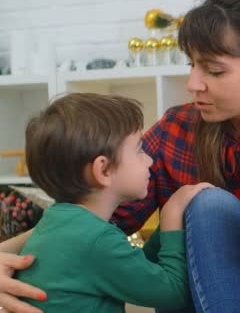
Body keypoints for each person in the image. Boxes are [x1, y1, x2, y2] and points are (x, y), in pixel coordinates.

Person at [0, 0, 240, 313]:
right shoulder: (178, 130)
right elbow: (88, 214)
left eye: (214, 71)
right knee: (212, 204)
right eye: (192, 65)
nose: (193, 83)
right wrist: (7, 252)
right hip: (196, 304)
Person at [14, 93, 214, 312]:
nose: (149, 160)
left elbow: (134, 270)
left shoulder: (61, 223)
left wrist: (165, 225)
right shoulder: (95, 239)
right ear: (103, 170)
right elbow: (173, 294)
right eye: (139, 150)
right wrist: (173, 215)